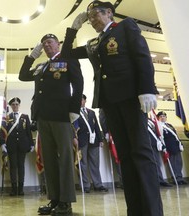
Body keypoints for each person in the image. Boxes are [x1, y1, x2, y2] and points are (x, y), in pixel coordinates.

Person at [61, 1, 163, 215]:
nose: (92, 20)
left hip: (130, 99)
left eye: (95, 15)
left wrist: (147, 88)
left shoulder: (126, 27)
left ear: (109, 12)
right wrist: (73, 28)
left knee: (141, 154)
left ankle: (153, 211)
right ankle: (135, 210)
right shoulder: (93, 43)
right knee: (125, 157)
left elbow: (142, 55)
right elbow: (67, 54)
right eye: (89, 18)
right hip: (108, 103)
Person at [19, 33, 83, 215]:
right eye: (43, 44)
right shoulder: (41, 66)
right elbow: (23, 75)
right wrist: (32, 56)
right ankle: (54, 199)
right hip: (42, 117)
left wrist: (74, 109)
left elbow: (79, 84)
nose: (46, 46)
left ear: (58, 44)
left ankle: (66, 201)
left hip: (61, 116)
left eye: (49, 42)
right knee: (49, 160)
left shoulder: (67, 59)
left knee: (64, 159)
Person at [0, 97, 34, 196]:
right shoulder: (7, 117)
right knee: (13, 166)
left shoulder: (25, 117)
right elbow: (3, 131)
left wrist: (31, 144)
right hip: (11, 145)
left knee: (21, 166)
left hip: (23, 145)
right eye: (13, 104)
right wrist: (2, 143)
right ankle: (14, 189)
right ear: (10, 106)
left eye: (16, 104)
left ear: (19, 105)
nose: (15, 106)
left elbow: (28, 132)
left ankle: (21, 189)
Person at [73, 94, 107, 193]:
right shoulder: (74, 113)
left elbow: (96, 126)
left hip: (94, 141)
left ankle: (98, 184)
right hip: (81, 141)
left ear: (85, 101)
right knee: (83, 164)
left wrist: (100, 139)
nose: (81, 102)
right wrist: (74, 138)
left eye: (82, 100)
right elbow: (73, 128)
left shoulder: (91, 112)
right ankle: (85, 185)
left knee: (95, 163)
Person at [157, 111, 187, 185]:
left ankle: (180, 177)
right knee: (173, 163)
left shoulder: (169, 125)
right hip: (169, 147)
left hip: (176, 146)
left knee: (179, 163)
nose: (163, 117)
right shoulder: (159, 126)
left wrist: (180, 143)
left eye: (164, 116)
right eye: (161, 116)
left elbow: (175, 135)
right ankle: (175, 178)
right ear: (158, 118)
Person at [99, 108, 123, 189]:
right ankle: (123, 180)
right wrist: (105, 132)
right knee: (118, 157)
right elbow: (102, 119)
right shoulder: (104, 106)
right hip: (113, 132)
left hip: (124, 131)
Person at [147, 118, 173, 187]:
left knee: (157, 163)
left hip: (155, 144)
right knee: (151, 164)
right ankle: (155, 181)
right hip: (148, 145)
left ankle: (160, 180)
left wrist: (159, 142)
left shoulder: (150, 120)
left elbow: (156, 133)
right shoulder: (140, 120)